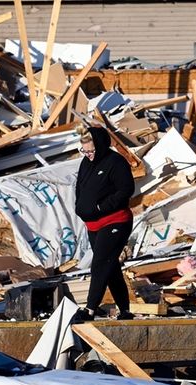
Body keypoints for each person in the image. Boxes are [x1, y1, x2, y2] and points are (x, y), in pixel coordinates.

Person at [73, 126, 135, 321]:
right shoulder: (85, 163)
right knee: (110, 267)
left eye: (91, 151)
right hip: (93, 225)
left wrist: (101, 207)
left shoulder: (115, 162)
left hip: (115, 220)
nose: (89, 155)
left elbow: (126, 189)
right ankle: (125, 310)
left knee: (100, 263)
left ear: (100, 146)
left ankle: (90, 309)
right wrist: (81, 207)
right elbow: (80, 188)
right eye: (85, 151)